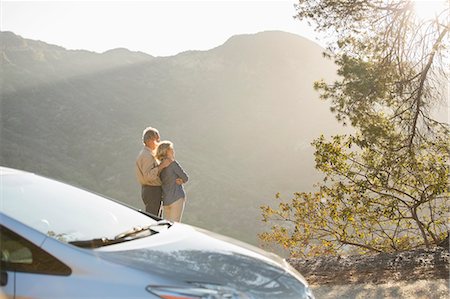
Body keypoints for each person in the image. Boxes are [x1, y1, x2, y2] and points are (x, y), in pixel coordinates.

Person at [135, 127, 171, 216]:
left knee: (155, 218)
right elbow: (148, 176)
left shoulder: (148, 154)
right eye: (157, 140)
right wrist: (162, 166)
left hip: (152, 190)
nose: (159, 143)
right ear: (151, 140)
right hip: (152, 191)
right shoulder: (147, 156)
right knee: (152, 219)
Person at [155, 141, 188, 222]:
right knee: (175, 226)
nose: (173, 151)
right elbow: (185, 177)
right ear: (166, 151)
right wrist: (182, 180)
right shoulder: (173, 164)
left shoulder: (158, 166)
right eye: (171, 149)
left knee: (167, 226)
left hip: (166, 200)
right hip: (176, 198)